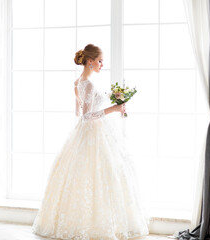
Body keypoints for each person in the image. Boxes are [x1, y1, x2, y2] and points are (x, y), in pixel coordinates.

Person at [32, 43, 150, 240]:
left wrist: (111, 97)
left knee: (97, 175)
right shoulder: (88, 83)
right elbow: (86, 115)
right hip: (93, 132)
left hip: (88, 133)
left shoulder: (79, 82)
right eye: (100, 61)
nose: (102, 64)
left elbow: (77, 111)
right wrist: (113, 108)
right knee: (101, 175)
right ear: (90, 61)